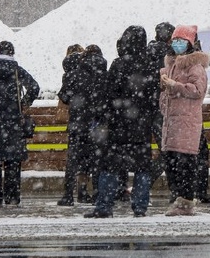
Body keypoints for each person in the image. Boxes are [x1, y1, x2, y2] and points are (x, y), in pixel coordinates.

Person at [87, 25, 158, 218]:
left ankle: (104, 206)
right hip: (141, 127)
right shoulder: (150, 65)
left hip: (119, 127)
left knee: (109, 167)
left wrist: (108, 117)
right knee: (142, 168)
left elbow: (109, 95)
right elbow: (154, 99)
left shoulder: (119, 64)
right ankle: (140, 206)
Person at [0, 40, 40, 207]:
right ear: (12, 53)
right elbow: (34, 87)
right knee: (13, 162)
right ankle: (12, 198)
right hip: (13, 123)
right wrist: (24, 103)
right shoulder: (17, 71)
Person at [159, 25, 208, 216]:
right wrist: (164, 100)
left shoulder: (195, 67)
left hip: (187, 123)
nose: (177, 44)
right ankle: (179, 200)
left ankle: (186, 203)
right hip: (171, 122)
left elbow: (197, 91)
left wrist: (175, 86)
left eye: (181, 41)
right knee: (171, 163)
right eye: (175, 40)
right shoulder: (171, 66)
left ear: (190, 43)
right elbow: (166, 94)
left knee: (185, 163)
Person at [57, 43, 107, 206]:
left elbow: (64, 96)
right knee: (96, 160)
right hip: (97, 125)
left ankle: (68, 196)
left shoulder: (74, 74)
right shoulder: (105, 75)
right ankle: (95, 194)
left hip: (78, 124)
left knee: (73, 160)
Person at [146, 22, 175, 194]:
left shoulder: (146, 53)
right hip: (165, 107)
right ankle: (175, 189)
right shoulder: (170, 56)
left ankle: (142, 185)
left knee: (163, 150)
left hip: (148, 108)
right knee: (168, 151)